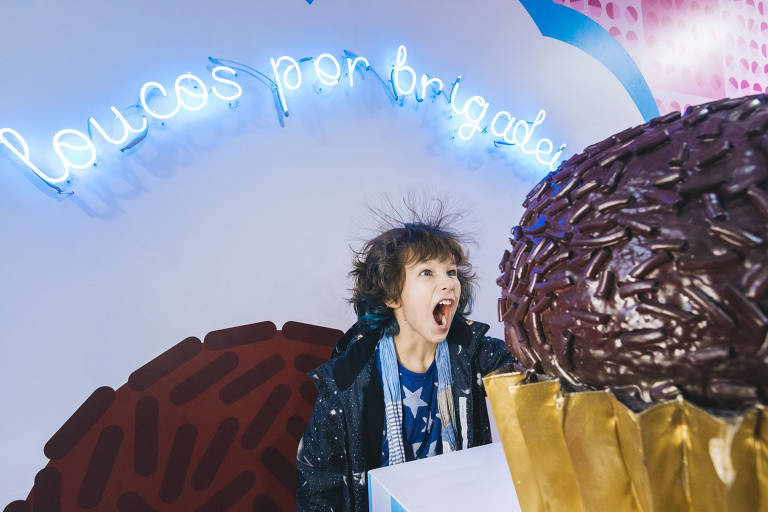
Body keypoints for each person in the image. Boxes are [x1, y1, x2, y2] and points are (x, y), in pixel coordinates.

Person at [296, 206, 518, 512]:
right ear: (392, 297)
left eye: (451, 272)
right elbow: (318, 489)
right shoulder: (347, 382)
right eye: (427, 272)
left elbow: (532, 376)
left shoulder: (475, 354)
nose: (448, 282)